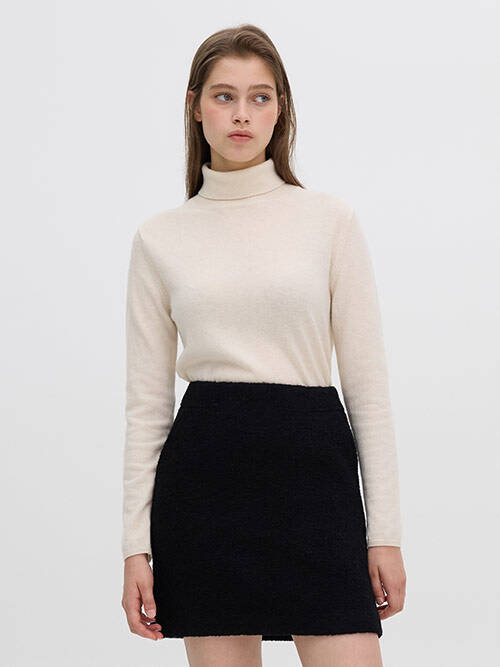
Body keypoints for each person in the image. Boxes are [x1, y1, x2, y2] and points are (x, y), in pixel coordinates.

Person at [121, 23, 406, 667]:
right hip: (205, 488)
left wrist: (384, 534)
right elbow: (146, 408)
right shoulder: (160, 238)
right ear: (196, 106)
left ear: (281, 110)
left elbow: (368, 390)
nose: (242, 114)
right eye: (224, 96)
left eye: (260, 97)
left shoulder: (329, 221)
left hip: (316, 482)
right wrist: (135, 547)